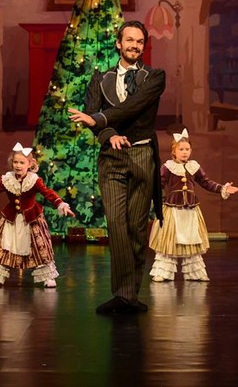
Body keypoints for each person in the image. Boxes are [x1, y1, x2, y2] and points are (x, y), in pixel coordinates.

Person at [68, 20, 165, 314]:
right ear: (118, 44)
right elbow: (92, 117)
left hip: (141, 156)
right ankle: (123, 295)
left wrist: (99, 119)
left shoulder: (154, 77)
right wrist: (108, 134)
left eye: (140, 41)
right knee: (117, 226)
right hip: (112, 160)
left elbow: (132, 107)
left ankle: (130, 296)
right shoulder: (101, 78)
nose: (135, 45)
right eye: (130, 40)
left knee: (136, 229)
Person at [0, 142, 75, 288]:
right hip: (11, 218)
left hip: (31, 219)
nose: (18, 165)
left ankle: (47, 277)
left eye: (21, 162)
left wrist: (61, 204)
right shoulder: (7, 179)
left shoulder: (34, 180)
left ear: (29, 164)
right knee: (1, 246)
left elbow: (48, 193)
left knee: (39, 247)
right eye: (15, 162)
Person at [148, 128, 238, 282]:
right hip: (173, 209)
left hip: (190, 210)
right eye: (181, 149)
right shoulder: (168, 167)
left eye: (187, 149)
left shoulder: (194, 166)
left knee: (192, 239)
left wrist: (223, 188)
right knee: (169, 240)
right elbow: (158, 185)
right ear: (174, 151)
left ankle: (195, 273)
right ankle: (162, 272)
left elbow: (206, 183)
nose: (184, 152)